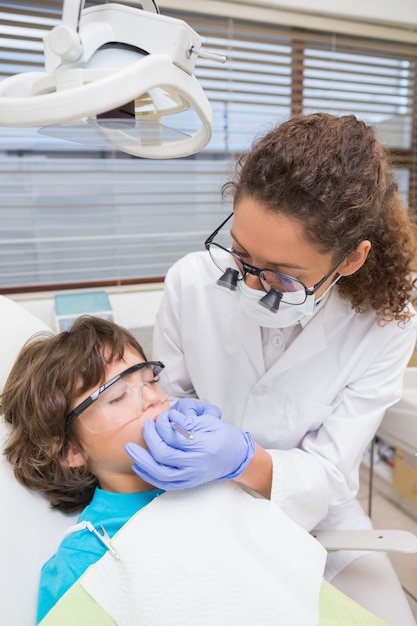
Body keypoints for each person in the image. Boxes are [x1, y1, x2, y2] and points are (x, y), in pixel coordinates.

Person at [125, 112, 417, 625]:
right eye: (241, 258)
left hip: (318, 515)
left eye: (284, 278)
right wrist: (179, 428)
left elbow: (328, 470)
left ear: (350, 260)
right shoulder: (191, 283)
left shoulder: (387, 323)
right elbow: (166, 397)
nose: (252, 285)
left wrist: (244, 460)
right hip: (202, 500)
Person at [2, 315, 332, 626]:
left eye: (150, 380)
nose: (152, 399)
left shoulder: (216, 480)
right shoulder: (81, 561)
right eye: (117, 397)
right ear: (70, 450)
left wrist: (246, 460)